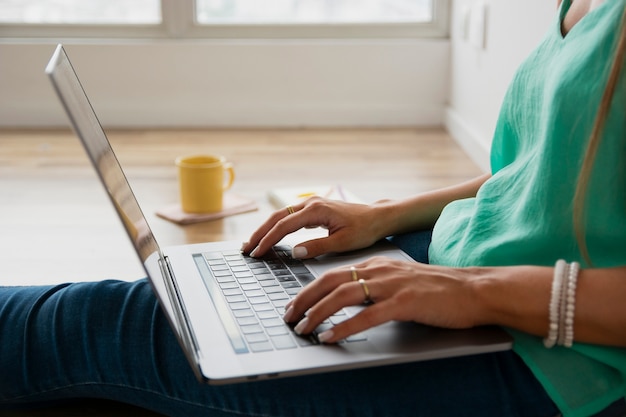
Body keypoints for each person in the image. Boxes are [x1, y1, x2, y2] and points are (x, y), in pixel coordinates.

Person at [1, 1, 625, 416]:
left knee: (96, 326)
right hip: (456, 269)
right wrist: (387, 216)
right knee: (156, 303)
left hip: (551, 358)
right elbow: (535, 175)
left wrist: (471, 291)